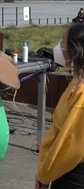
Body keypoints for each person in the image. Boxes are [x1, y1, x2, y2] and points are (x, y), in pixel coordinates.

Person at [35, 23, 84, 189]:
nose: (58, 47)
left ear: (76, 53)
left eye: (63, 42)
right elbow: (57, 128)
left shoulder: (82, 94)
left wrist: (44, 174)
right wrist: (45, 165)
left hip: (74, 175)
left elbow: (69, 145)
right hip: (63, 170)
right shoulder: (75, 83)